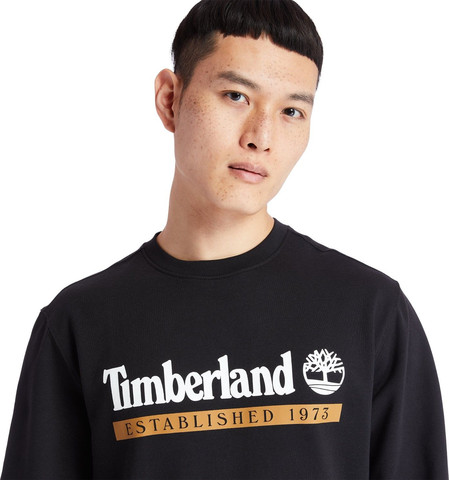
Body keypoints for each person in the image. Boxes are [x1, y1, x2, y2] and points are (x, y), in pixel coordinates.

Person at [1, 0, 448, 478]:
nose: (262, 136)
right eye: (236, 96)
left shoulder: (371, 312)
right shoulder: (79, 323)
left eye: (292, 111)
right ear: (169, 100)